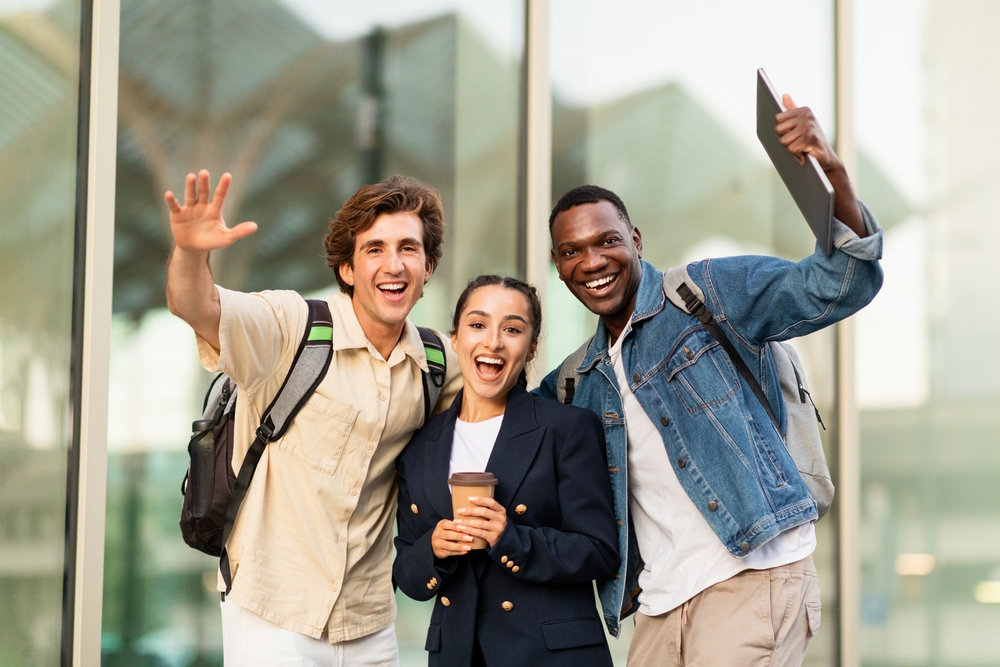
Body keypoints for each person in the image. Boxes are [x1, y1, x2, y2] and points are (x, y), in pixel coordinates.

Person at [536, 95, 884, 666]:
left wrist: (833, 173)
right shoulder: (579, 380)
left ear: (636, 240)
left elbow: (843, 280)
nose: (592, 261)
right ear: (558, 265)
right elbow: (502, 425)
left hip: (753, 576)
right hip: (660, 603)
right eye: (573, 251)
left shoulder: (705, 294)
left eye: (607, 241)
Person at [164, 171, 461, 665]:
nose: (394, 265)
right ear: (347, 268)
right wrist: (192, 253)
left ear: (428, 266)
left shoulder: (436, 362)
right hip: (272, 613)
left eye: (408, 249)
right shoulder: (291, 328)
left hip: (369, 621)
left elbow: (501, 399)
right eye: (375, 249)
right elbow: (197, 305)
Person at [393, 275, 620, 667]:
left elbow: (600, 552)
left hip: (551, 657)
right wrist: (434, 548)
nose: (493, 341)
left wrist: (510, 538)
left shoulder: (567, 429)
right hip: (458, 655)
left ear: (531, 347)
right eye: (477, 325)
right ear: (455, 338)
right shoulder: (419, 445)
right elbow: (408, 575)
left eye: (512, 329)